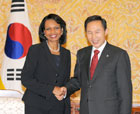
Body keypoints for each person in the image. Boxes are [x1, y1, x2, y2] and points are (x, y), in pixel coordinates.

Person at [59, 15, 132, 114]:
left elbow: (125, 93)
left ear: (106, 32)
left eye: (97, 32)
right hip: (86, 110)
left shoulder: (119, 55)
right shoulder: (82, 54)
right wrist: (66, 89)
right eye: (89, 32)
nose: (93, 37)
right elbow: (78, 80)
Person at [21, 14, 71, 114]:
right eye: (48, 29)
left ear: (61, 30)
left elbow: (65, 81)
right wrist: (52, 89)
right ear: (44, 32)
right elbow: (26, 79)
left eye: (56, 28)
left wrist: (64, 96)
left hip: (58, 106)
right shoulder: (35, 50)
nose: (53, 32)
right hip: (36, 105)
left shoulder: (66, 53)